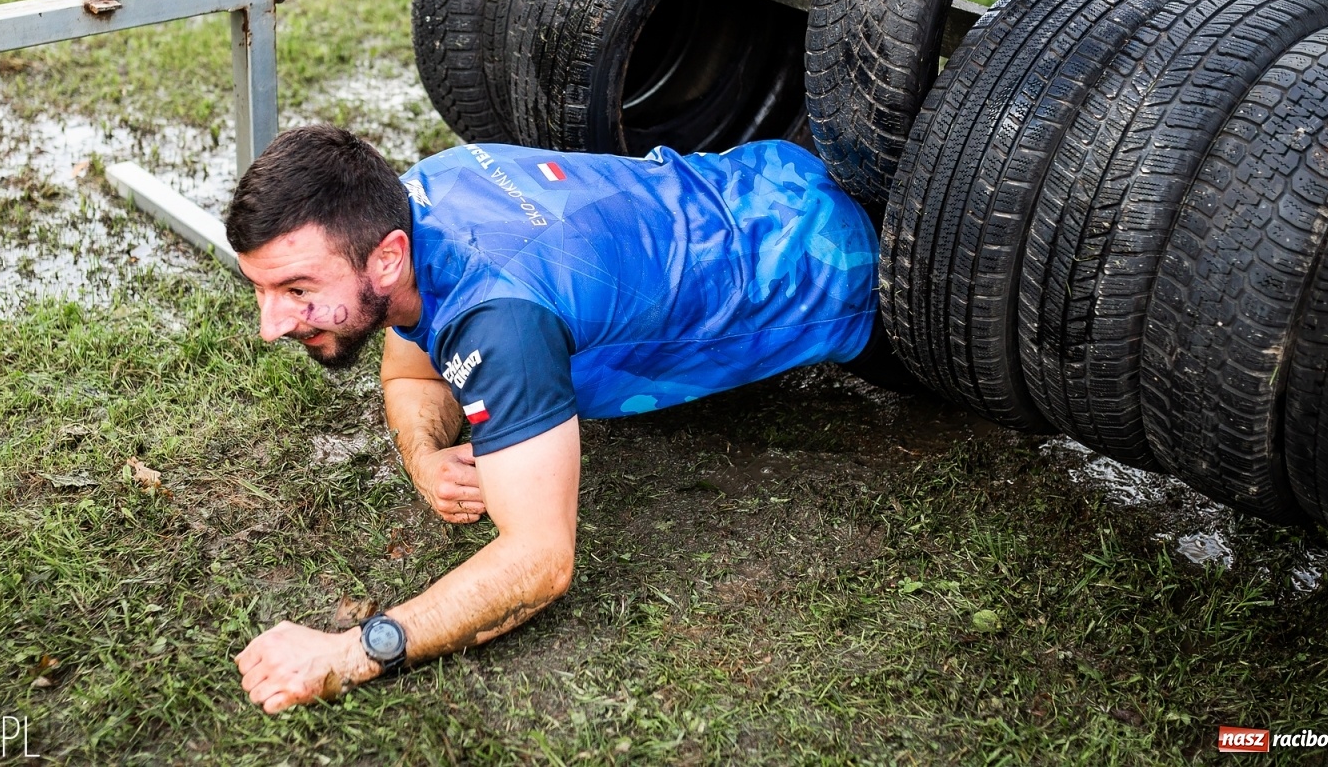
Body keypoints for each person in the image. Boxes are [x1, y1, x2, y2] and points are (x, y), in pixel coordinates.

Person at [227, 124, 878, 713]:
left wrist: (346, 655)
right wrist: (424, 455)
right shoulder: (421, 190)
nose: (270, 325)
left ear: (388, 258)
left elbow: (538, 562)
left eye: (297, 291)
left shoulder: (501, 323)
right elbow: (411, 369)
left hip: (844, 268)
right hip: (771, 172)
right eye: (262, 289)